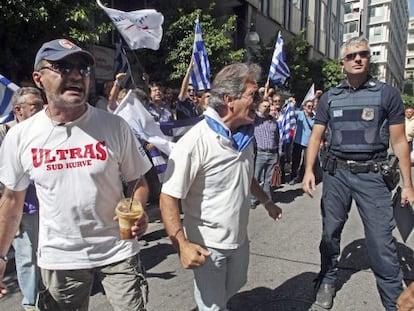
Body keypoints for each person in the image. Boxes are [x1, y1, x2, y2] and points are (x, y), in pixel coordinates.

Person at [0, 38, 152, 311]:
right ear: (39, 78)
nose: (75, 75)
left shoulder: (114, 126)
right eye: (62, 67)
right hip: (60, 258)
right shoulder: (21, 136)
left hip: (117, 249)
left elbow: (137, 180)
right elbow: (12, 202)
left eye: (82, 69)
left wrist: (138, 205)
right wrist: (0, 257)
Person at [302, 36, 414, 311]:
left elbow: (399, 141)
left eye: (363, 54)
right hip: (336, 175)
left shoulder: (386, 94)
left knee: (381, 242)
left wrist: (408, 185)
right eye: (351, 56)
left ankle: (395, 302)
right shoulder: (329, 97)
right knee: (330, 233)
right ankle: (327, 280)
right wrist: (308, 171)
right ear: (342, 63)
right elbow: (315, 137)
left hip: (373, 177)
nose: (358, 59)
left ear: (369, 58)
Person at [159, 62, 282, 311]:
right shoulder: (195, 141)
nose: (259, 100)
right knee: (213, 305)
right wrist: (182, 245)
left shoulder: (244, 135)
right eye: (253, 95)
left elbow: (245, 175)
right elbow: (168, 196)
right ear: (229, 100)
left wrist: (267, 202)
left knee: (236, 283)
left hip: (239, 238)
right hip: (208, 244)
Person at [0, 87, 44, 311]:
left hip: (48, 206)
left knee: (46, 253)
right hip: (23, 208)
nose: (42, 109)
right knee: (27, 255)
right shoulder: (7, 136)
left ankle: (46, 294)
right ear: (18, 110)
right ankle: (31, 302)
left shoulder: (47, 132)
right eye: (35, 106)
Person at [250, 99, 280, 208]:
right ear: (259, 108)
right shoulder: (257, 120)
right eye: (264, 106)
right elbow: (252, 110)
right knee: (256, 178)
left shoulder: (274, 121)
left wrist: (279, 152)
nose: (267, 108)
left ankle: (267, 199)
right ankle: (253, 200)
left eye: (268, 106)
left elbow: (277, 137)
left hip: (273, 153)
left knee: (268, 179)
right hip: (260, 153)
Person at [289, 99, 314, 185]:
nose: (310, 108)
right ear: (304, 107)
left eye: (312, 106)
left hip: (309, 143)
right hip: (298, 141)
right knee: (296, 160)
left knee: (306, 162)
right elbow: (291, 113)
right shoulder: (300, 114)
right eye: (308, 106)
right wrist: (293, 104)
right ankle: (294, 177)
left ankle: (303, 177)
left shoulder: (315, 117)